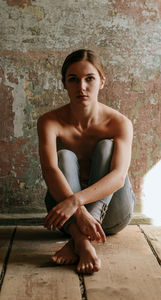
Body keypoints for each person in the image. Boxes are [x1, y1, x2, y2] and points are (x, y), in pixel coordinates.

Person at [37, 49, 135, 274]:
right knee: (63, 157)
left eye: (89, 78)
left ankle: (78, 242)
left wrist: (75, 202)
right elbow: (50, 170)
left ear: (101, 82)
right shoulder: (49, 122)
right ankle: (82, 242)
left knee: (106, 146)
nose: (81, 87)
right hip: (68, 219)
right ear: (64, 83)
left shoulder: (119, 123)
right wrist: (77, 211)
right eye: (73, 79)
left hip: (113, 214)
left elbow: (119, 176)